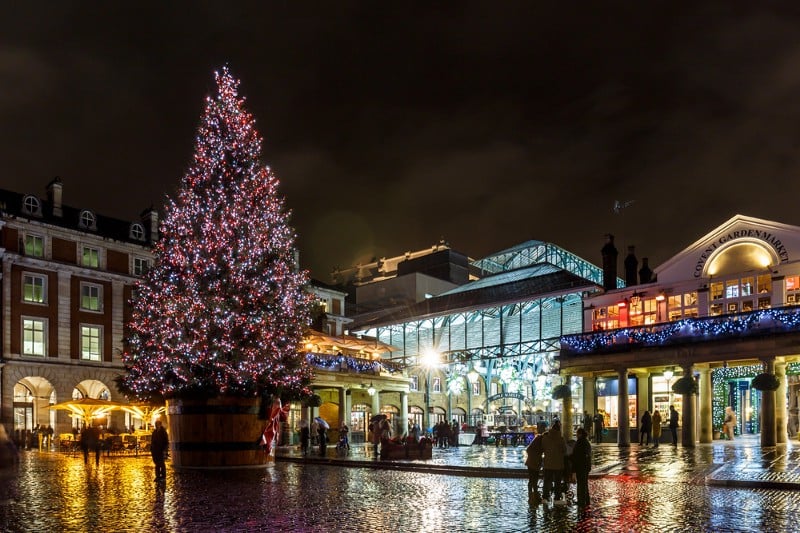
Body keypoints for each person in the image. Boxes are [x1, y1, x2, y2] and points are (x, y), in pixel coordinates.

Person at [541, 420, 567, 504]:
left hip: (547, 463)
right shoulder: (561, 439)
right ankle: (557, 498)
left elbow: (543, 448)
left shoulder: (545, 438)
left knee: (547, 481)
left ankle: (545, 497)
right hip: (558, 464)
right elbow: (564, 450)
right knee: (557, 482)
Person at [571, 427, 592, 507]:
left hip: (580, 467)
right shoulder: (586, 442)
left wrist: (573, 469)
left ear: (580, 434)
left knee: (580, 485)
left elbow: (576, 457)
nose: (576, 435)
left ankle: (581, 501)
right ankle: (586, 500)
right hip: (586, 467)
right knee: (585, 484)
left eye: (577, 433)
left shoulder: (579, 443)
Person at [525, 432, 544, 502]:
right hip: (535, 463)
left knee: (531, 478)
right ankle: (534, 494)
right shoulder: (541, 442)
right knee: (534, 478)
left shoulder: (536, 440)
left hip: (531, 462)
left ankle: (531, 494)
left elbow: (528, 450)